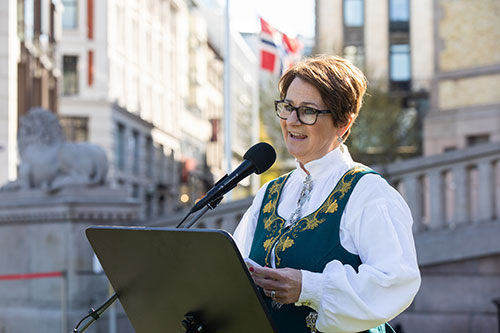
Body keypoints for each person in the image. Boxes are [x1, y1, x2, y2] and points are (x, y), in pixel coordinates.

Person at [233, 55, 421, 333]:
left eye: (308, 111)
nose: (292, 121)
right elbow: (235, 269)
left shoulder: (368, 192)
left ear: (343, 122)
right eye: (287, 107)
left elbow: (396, 281)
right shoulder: (270, 193)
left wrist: (309, 288)